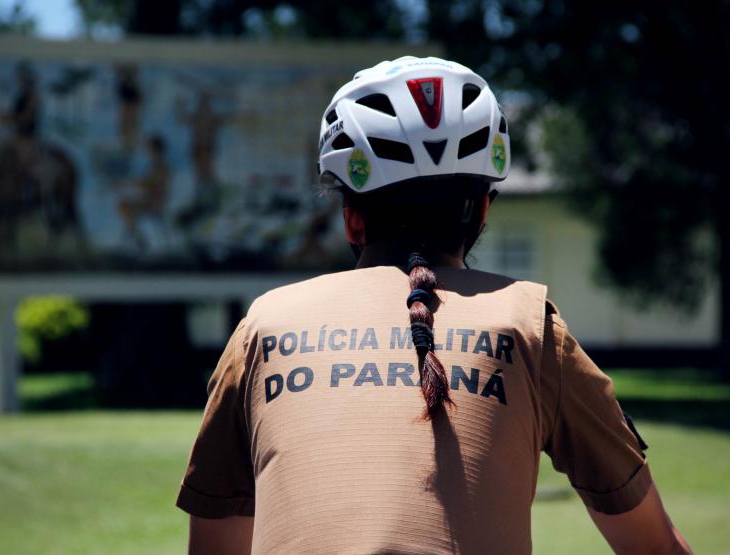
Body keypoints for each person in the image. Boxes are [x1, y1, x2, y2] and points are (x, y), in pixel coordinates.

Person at [177, 56, 692, 554]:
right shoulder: (530, 326)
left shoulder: (264, 327)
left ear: (353, 220)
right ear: (483, 211)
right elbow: (654, 547)